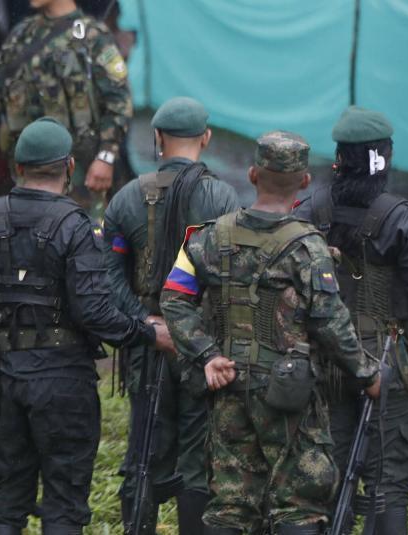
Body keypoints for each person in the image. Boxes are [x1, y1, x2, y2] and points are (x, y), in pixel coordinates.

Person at [0, 118, 170, 534]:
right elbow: (95, 312)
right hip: (64, 382)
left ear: (18, 167)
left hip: (6, 380)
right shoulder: (79, 228)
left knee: (6, 499)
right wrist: (148, 332)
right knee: (65, 503)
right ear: (69, 166)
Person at [160, 131, 382, 535]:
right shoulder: (310, 249)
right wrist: (368, 374)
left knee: (231, 500)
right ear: (304, 182)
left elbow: (174, 298)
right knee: (298, 501)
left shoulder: (208, 236)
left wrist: (207, 354)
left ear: (251, 174)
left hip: (227, 384)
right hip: (289, 394)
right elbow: (330, 321)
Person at [293, 107, 408, 534]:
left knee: (326, 476)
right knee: (388, 486)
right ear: (384, 158)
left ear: (339, 157)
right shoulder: (401, 218)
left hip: (327, 360)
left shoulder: (309, 211)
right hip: (392, 363)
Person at [104, 97, 238, 535]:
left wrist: (148, 325)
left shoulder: (127, 197)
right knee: (197, 457)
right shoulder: (222, 197)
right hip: (205, 349)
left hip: (149, 346)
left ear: (157, 139)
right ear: (206, 138)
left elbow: (109, 279)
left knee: (143, 450)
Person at [0, 0, 132, 217]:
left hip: (80, 171)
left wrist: (106, 157)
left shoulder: (92, 35)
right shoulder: (22, 34)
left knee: (83, 238)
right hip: (29, 172)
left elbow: (119, 102)